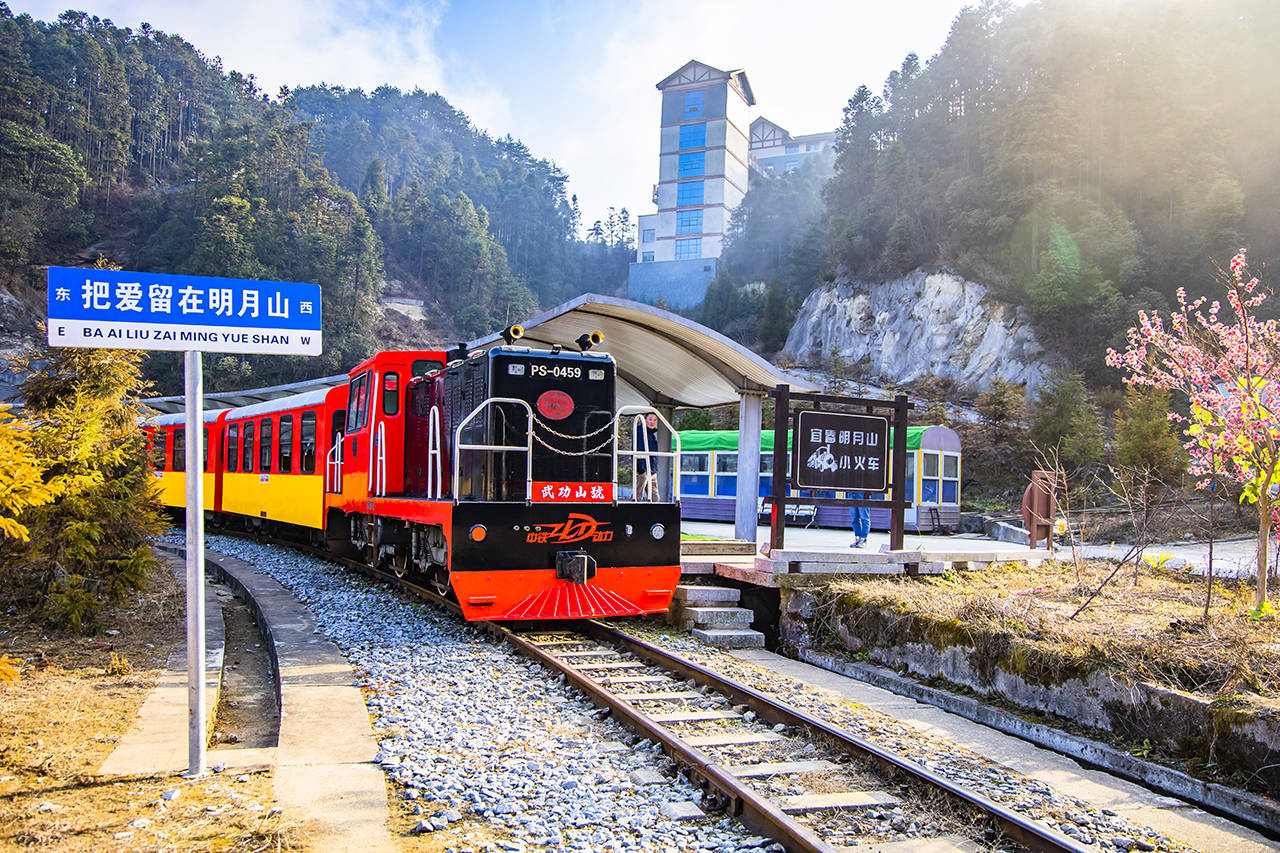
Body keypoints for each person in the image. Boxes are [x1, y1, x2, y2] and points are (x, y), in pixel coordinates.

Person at [635, 412, 660, 501]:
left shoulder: (651, 434)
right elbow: (639, 448)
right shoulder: (640, 432)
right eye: (650, 419)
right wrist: (641, 469)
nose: (652, 422)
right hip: (644, 470)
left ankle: (656, 513)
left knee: (655, 497)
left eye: (655, 420)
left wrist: (654, 469)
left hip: (651, 470)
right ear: (645, 420)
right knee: (637, 495)